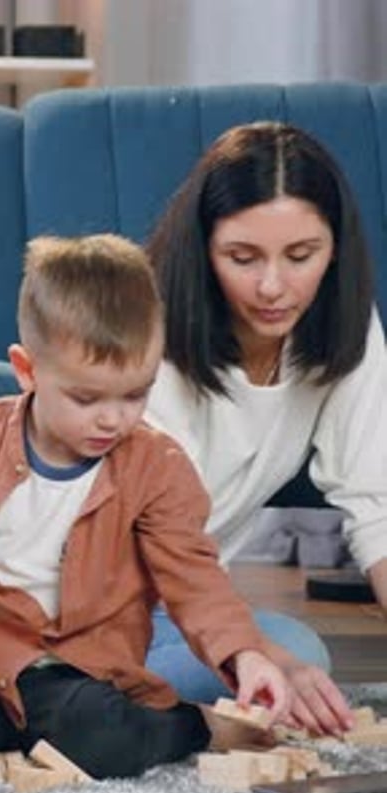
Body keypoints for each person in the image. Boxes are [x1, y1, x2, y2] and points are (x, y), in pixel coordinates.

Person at [0, 232, 303, 781]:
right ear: (27, 370)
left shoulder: (158, 467)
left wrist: (244, 655)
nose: (113, 419)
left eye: (135, 395)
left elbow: (195, 580)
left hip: (84, 673)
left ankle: (196, 725)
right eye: (86, 398)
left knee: (102, 737)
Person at [144, 120, 385, 730]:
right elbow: (159, 542)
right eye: (242, 258)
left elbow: (377, 506)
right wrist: (251, 652)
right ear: (203, 249)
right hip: (85, 604)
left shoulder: (345, 328)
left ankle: (98, 698)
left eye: (302, 256)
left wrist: (262, 654)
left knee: (303, 658)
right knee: (275, 672)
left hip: (188, 614)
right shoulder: (149, 332)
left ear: (336, 248)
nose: (274, 287)